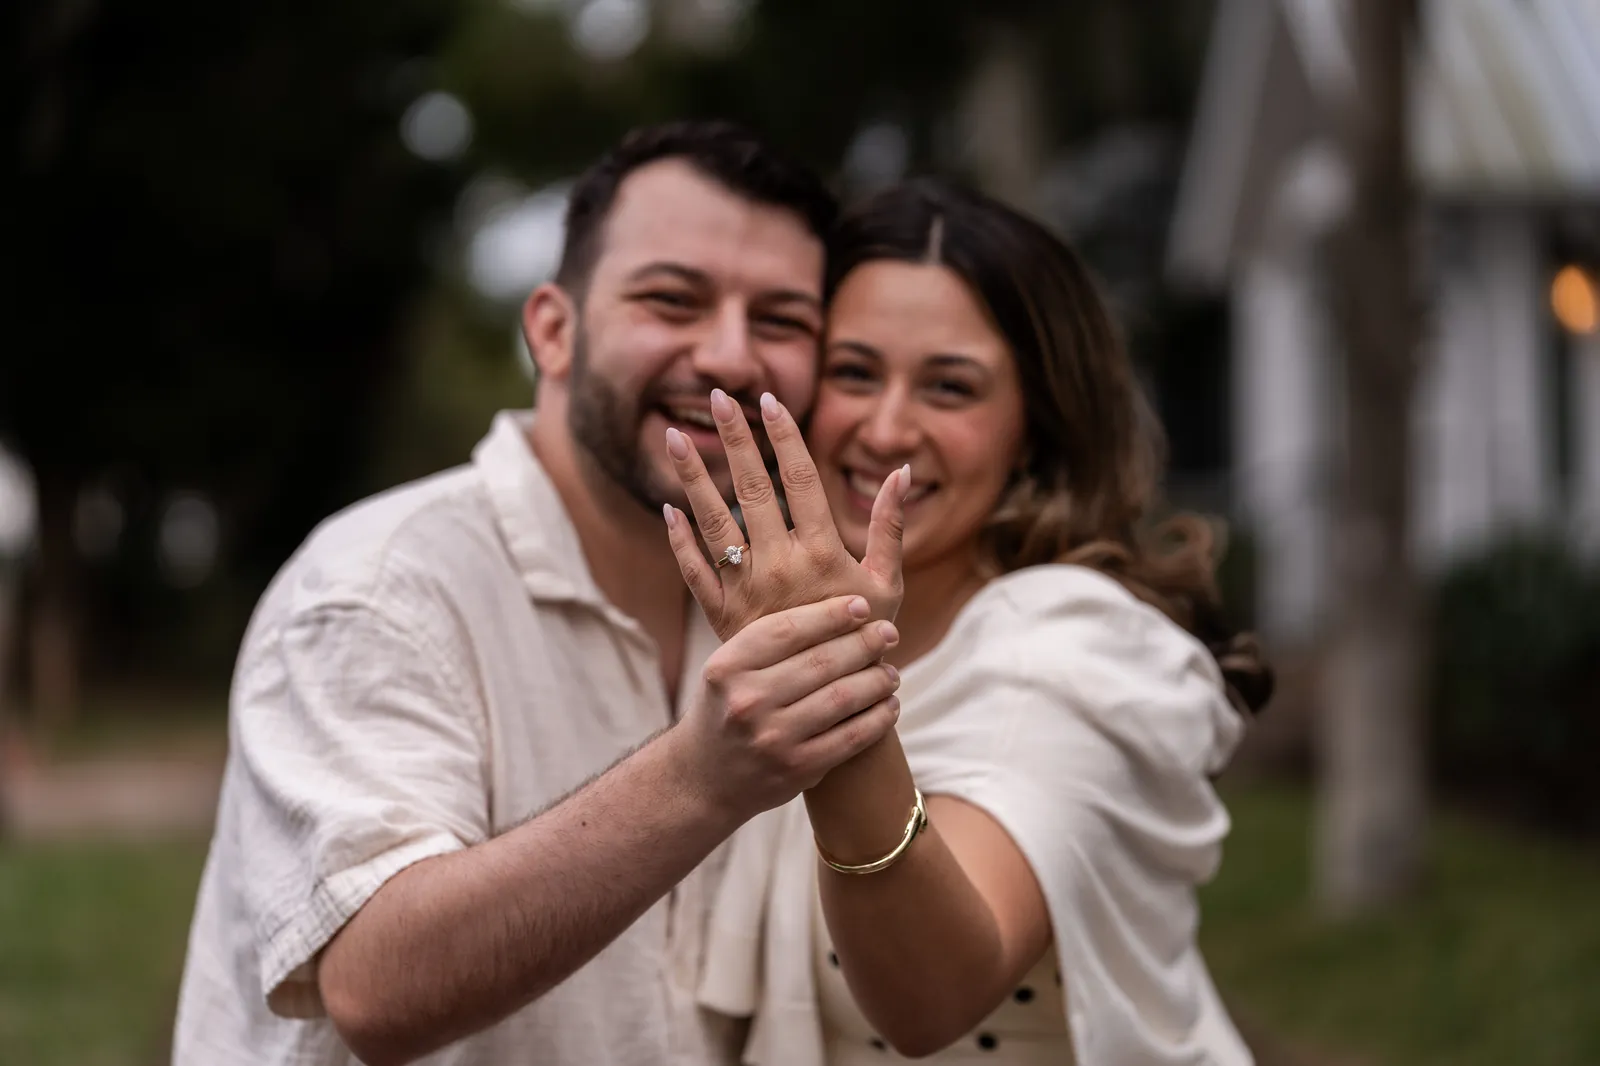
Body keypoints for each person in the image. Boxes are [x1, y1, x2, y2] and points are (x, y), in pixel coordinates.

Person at [171, 120, 913, 1066]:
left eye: (781, 321)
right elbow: (372, 983)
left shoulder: (781, 593)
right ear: (554, 332)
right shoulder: (377, 584)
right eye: (672, 299)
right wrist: (700, 775)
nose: (732, 356)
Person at [662, 178, 1274, 1065]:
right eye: (854, 372)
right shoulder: (743, 619)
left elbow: (934, 996)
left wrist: (826, 686)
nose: (886, 428)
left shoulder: (1078, 652)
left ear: (1034, 428)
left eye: (949, 387)